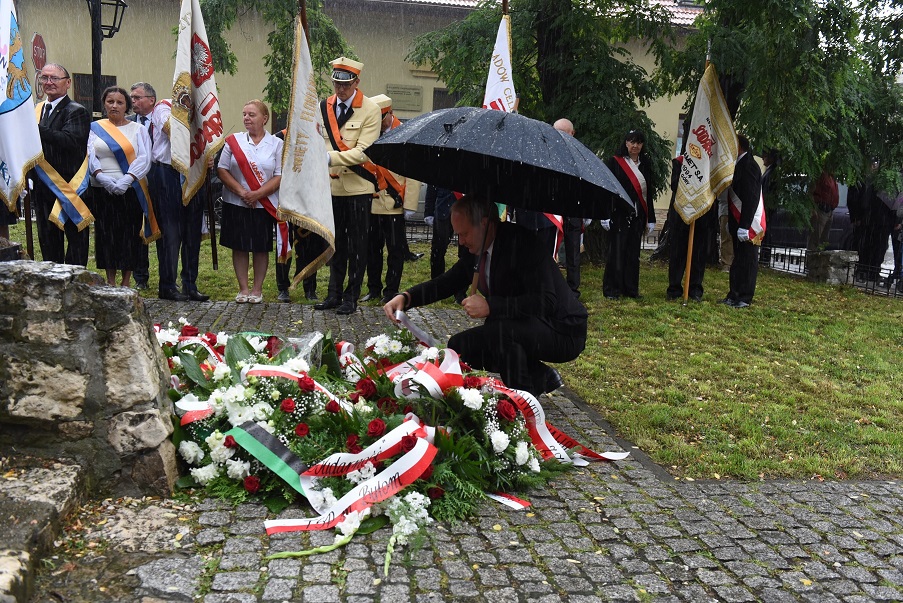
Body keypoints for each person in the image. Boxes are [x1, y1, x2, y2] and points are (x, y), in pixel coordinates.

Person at [383, 195, 587, 398]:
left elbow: (546, 302)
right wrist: (407, 297)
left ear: (484, 223)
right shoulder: (478, 248)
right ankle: (536, 377)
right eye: (458, 235)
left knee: (499, 333)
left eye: (464, 234)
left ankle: (523, 396)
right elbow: (447, 282)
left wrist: (491, 306)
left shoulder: (521, 243)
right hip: (523, 325)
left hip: (563, 329)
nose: (461, 242)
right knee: (460, 347)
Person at [314, 57, 382, 316]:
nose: (339, 89)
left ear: (356, 82)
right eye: (335, 84)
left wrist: (328, 158)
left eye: (345, 84)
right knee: (334, 243)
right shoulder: (323, 107)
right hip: (330, 188)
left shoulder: (371, 109)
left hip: (358, 187)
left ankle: (351, 297)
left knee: (357, 244)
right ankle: (334, 293)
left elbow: (364, 152)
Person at [217, 100, 283, 304]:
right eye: (244, 114)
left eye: (252, 114)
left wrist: (258, 194)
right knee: (240, 245)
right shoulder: (233, 141)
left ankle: (257, 289)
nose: (246, 118)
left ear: (265, 118)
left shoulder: (277, 144)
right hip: (236, 202)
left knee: (261, 246)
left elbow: (279, 175)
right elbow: (222, 169)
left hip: (264, 204)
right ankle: (243, 288)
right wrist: (243, 192)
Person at [147, 83, 209, 302]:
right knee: (171, 233)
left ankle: (190, 284)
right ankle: (167, 285)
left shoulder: (203, 113)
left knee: (192, 233)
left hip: (193, 174)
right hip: (168, 174)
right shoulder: (163, 107)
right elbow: (173, 131)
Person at [87, 86, 153, 287]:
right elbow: (90, 155)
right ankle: (110, 281)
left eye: (119, 102)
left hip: (130, 190)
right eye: (110, 101)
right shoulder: (94, 128)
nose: (114, 105)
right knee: (106, 234)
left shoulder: (138, 129)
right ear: (104, 104)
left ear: (127, 106)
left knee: (128, 235)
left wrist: (127, 179)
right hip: (102, 189)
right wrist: (102, 177)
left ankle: (126, 282)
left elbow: (145, 157)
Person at [361, 95, 422, 304]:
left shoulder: (405, 134)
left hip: (395, 204)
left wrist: (410, 204)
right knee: (372, 250)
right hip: (372, 202)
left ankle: (391, 290)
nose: (377, 122)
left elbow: (413, 172)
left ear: (390, 113)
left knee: (395, 251)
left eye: (381, 118)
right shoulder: (368, 134)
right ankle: (374, 288)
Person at [29, 63, 91, 265]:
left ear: (67, 83)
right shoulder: (38, 110)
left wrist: (35, 129)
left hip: (70, 185)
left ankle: (76, 286)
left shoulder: (76, 110)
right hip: (43, 186)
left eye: (54, 78)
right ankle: (53, 284)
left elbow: (70, 141)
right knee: (48, 241)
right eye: (44, 78)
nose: (49, 82)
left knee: (76, 242)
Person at [602, 129, 656, 299]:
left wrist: (651, 218)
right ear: (626, 143)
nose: (635, 146)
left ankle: (631, 289)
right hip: (619, 214)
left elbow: (649, 193)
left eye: (639, 142)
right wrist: (606, 214)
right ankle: (612, 290)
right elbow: (608, 190)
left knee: (633, 255)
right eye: (632, 142)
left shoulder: (645, 163)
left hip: (638, 216)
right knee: (616, 253)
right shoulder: (615, 162)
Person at [722, 134, 763, 308]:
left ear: (739, 146)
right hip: (737, 221)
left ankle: (745, 297)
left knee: (748, 260)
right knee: (738, 259)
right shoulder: (738, 164)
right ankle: (734, 293)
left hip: (748, 224)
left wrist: (745, 226)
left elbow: (751, 198)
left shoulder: (750, 166)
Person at [666, 156, 710, 301]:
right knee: (678, 253)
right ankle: (674, 288)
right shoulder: (679, 162)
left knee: (699, 254)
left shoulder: (710, 164)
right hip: (681, 213)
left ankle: (695, 289)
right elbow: (674, 185)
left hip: (702, 214)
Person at [127, 82, 157, 290]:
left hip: (160, 182)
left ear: (151, 100)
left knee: (162, 229)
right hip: (135, 184)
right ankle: (140, 277)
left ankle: (168, 278)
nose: (133, 102)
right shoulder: (127, 125)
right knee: (137, 230)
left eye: (137, 97)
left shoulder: (163, 122)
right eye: (132, 98)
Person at [424, 185, 471, 304]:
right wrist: (428, 212)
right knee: (437, 251)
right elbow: (431, 188)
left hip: (465, 211)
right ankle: (436, 288)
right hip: (443, 210)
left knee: (465, 252)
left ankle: (460, 292)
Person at [553, 118, 584, 296]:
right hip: (552, 208)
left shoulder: (580, 154)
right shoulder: (546, 151)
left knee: (573, 251)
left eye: (566, 132)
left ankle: (573, 289)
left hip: (573, 207)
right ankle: (550, 285)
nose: (562, 136)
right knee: (550, 248)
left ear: (573, 133)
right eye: (558, 132)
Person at [807, 168, 839, 251]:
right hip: (820, 210)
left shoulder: (832, 178)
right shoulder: (820, 176)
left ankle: (820, 259)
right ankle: (812, 261)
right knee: (815, 238)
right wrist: (813, 209)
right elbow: (811, 193)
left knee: (824, 240)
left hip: (829, 210)